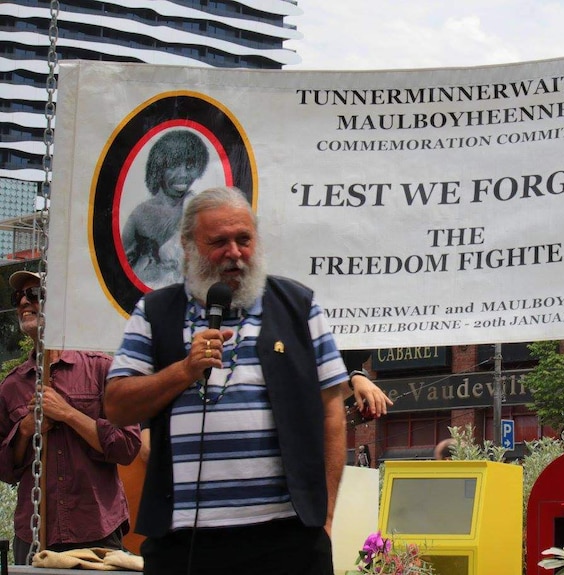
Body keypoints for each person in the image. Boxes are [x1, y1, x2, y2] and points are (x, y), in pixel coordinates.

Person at [105, 186, 347, 575]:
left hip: (288, 536)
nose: (234, 253)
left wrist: (328, 514)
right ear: (188, 247)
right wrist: (183, 371)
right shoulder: (154, 311)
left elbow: (331, 413)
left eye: (244, 239)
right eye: (219, 242)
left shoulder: (299, 306)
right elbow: (116, 406)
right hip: (186, 541)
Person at [0, 270, 142, 565]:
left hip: (95, 531)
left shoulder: (101, 369)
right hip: (33, 534)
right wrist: (25, 430)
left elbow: (127, 447)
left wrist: (68, 414)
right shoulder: (11, 386)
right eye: (19, 297)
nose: (25, 302)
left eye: (36, 295)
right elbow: (4, 470)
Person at [122, 129, 209, 289]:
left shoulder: (199, 208)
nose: (183, 174)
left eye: (189, 166)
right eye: (174, 165)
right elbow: (120, 270)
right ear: (158, 169)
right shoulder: (139, 215)